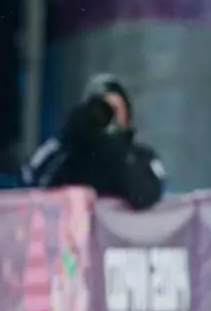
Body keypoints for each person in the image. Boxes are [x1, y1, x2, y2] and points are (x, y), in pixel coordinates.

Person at [22, 74, 166, 210]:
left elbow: (147, 195)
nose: (108, 116)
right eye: (102, 110)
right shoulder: (68, 149)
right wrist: (69, 138)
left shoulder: (142, 157)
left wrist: (117, 149)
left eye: (115, 110)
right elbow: (30, 179)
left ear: (127, 116)